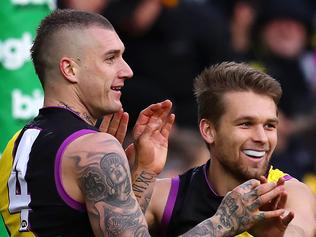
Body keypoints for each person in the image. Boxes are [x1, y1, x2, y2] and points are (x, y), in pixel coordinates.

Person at [0, 9, 289, 237]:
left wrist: (143, 173)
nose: (126, 70)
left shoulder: (15, 146)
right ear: (70, 69)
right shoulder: (95, 149)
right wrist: (225, 221)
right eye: (111, 58)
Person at [138, 62, 315, 237]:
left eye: (269, 125)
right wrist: (140, 171)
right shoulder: (166, 196)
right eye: (246, 124)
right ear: (209, 131)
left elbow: (300, 230)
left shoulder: (290, 194)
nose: (262, 138)